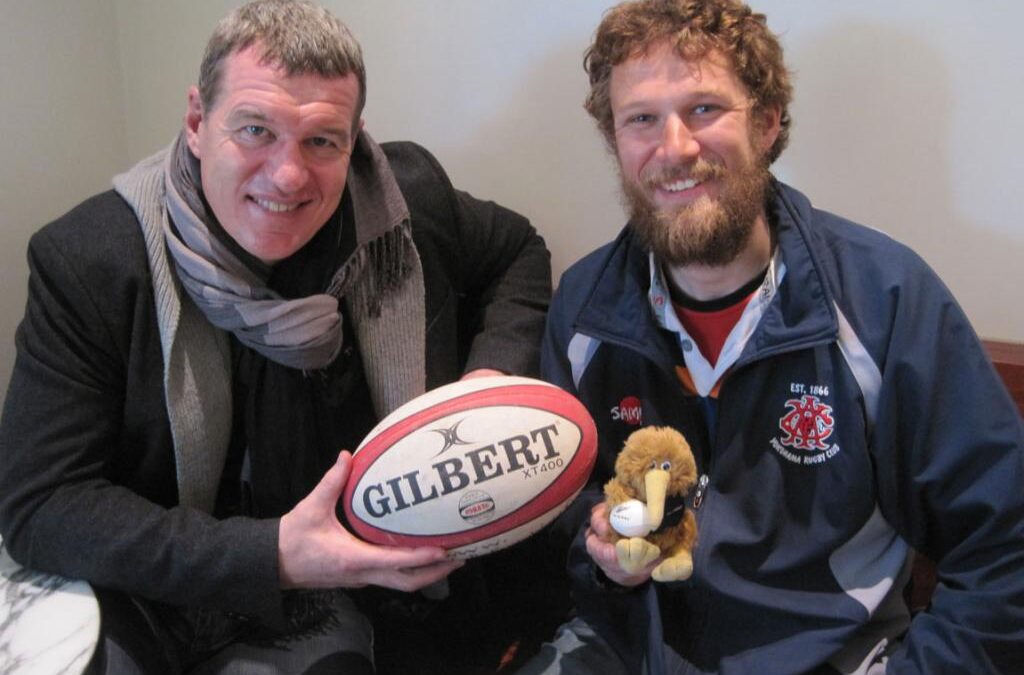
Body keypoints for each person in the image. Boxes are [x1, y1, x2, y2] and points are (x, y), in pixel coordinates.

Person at [0, 1, 552, 672]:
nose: (288, 175)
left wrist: (488, 383)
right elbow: (39, 503)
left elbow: (517, 251)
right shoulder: (92, 261)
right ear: (199, 121)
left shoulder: (408, 201)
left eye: (322, 141)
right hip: (168, 584)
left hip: (367, 589)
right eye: (255, 130)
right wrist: (276, 554)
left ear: (355, 141)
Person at [522, 1, 1024, 673]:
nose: (674, 147)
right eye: (641, 118)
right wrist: (606, 564)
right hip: (632, 651)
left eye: (704, 109)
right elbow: (565, 525)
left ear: (766, 122)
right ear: (616, 142)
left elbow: (1006, 544)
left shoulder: (885, 299)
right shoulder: (584, 309)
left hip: (837, 655)